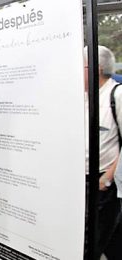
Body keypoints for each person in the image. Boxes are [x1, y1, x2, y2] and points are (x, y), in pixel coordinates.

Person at [84, 45, 122, 260]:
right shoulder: (83, 96)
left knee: (91, 244)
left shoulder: (116, 95)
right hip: (84, 181)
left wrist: (107, 178)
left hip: (103, 183)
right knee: (113, 238)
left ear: (95, 68)